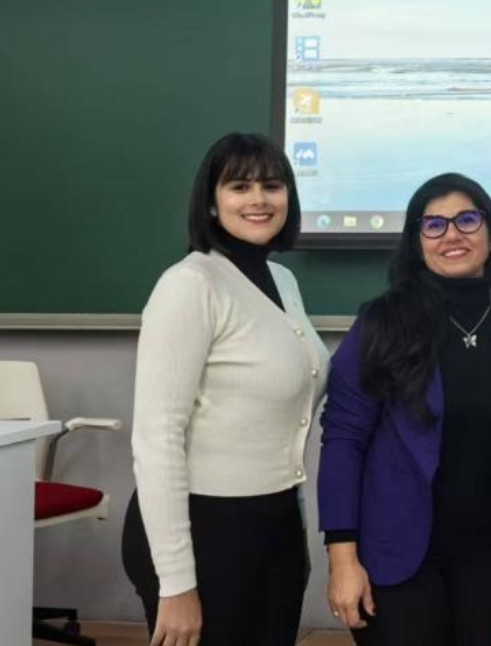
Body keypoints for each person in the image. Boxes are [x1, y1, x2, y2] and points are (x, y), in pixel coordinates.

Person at [318, 173, 491, 646]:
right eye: (434, 225)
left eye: (466, 220)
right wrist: (342, 559)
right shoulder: (381, 321)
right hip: (396, 557)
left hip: (490, 557)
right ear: (417, 242)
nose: (451, 234)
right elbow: (343, 440)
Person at [122, 132, 328, 646]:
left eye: (272, 186)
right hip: (203, 529)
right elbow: (157, 437)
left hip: (276, 523)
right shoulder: (190, 284)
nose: (259, 199)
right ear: (212, 203)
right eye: (240, 186)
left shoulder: (282, 280)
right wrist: (176, 584)